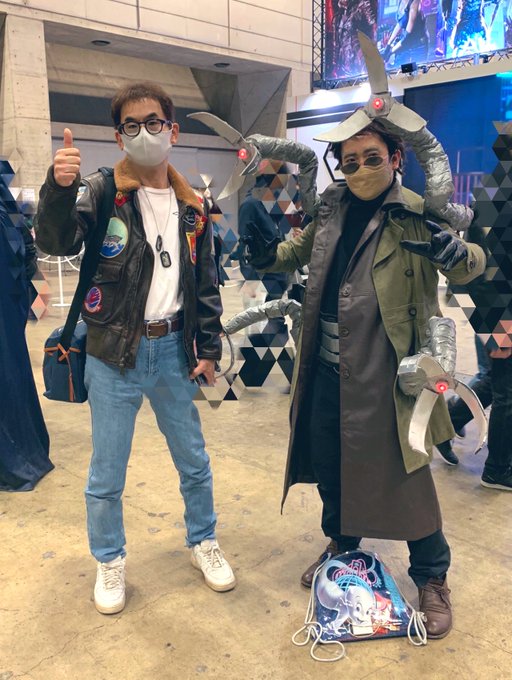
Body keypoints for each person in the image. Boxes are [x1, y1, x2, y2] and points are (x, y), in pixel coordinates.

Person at [246, 119, 486, 639]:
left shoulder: (415, 211)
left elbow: (472, 265)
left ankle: (432, 575)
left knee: (408, 473)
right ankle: (343, 546)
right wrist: (263, 250)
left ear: (396, 158)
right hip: (327, 364)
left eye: (372, 157)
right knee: (331, 463)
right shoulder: (331, 208)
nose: (359, 170)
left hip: (391, 367)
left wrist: (456, 254)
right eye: (349, 162)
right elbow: (295, 253)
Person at [35, 81, 235, 615]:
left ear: (173, 130)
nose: (144, 132)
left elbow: (207, 284)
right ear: (119, 136)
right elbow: (55, 242)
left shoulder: (194, 206)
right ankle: (109, 558)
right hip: (112, 354)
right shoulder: (102, 192)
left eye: (153, 122)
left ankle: (203, 540)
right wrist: (58, 189)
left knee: (194, 459)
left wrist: (209, 348)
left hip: (174, 352)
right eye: (131, 125)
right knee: (107, 472)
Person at [0, 169, 52, 491]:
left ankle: (21, 450)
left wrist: (37, 292)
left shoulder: (6, 198)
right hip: (10, 305)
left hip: (9, 306)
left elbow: (26, 245)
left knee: (11, 372)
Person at [382, 0, 429, 66]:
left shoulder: (414, 3)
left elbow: (407, 36)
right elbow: (400, 23)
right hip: (406, 44)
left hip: (417, 46)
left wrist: (391, 51)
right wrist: (388, 46)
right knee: (400, 68)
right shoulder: (401, 1)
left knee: (415, 70)